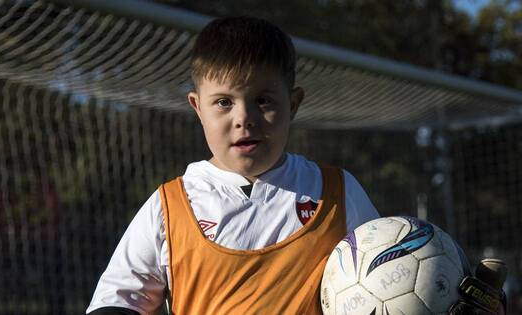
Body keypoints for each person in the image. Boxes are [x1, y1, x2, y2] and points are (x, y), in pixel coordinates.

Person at [86, 16, 379, 315]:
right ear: (198, 107)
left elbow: (385, 287)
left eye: (263, 100)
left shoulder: (338, 195)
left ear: (293, 104)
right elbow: (118, 301)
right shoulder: (170, 208)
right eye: (224, 102)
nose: (244, 118)